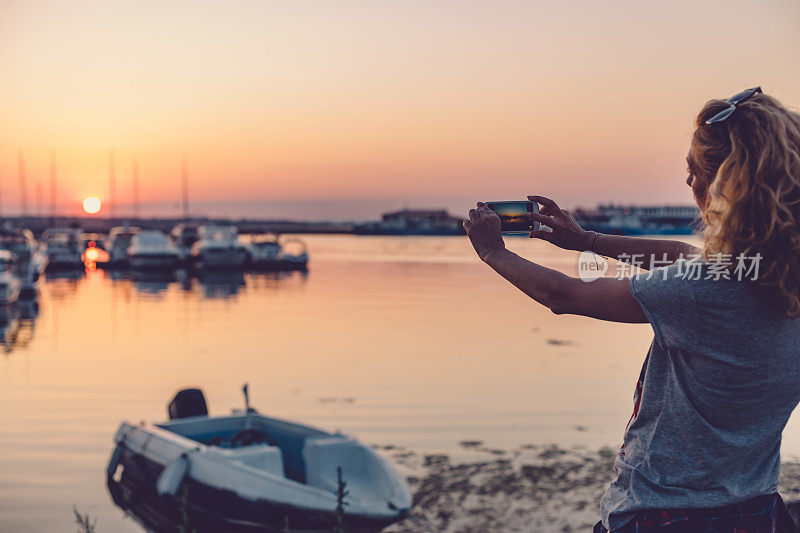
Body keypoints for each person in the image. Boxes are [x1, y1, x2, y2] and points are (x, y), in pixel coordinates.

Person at [464, 87, 800, 532]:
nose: (688, 182)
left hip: (667, 512)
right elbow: (684, 254)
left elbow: (564, 295)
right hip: (755, 507)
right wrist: (588, 241)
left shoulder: (703, 290)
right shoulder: (775, 276)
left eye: (693, 169)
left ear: (724, 183)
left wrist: (493, 253)